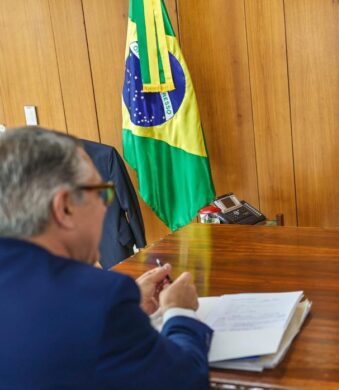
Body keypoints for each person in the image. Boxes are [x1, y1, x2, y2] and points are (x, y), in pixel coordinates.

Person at [0, 127, 212, 389]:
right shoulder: (100, 299)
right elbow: (186, 381)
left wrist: (129, 311)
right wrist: (180, 313)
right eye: (100, 194)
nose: (104, 206)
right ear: (65, 208)